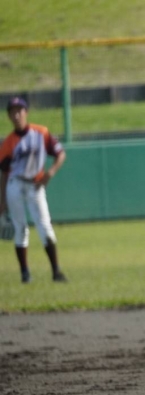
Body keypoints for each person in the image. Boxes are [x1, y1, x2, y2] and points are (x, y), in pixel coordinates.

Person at [0, 96, 68, 283]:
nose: (16, 115)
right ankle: (25, 274)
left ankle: (56, 272)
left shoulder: (41, 133)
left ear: (26, 112)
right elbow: (4, 173)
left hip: (36, 184)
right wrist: (2, 200)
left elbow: (60, 154)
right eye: (12, 112)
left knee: (45, 226)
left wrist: (50, 173)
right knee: (20, 228)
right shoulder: (8, 143)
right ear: (9, 116)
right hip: (15, 184)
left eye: (19, 111)